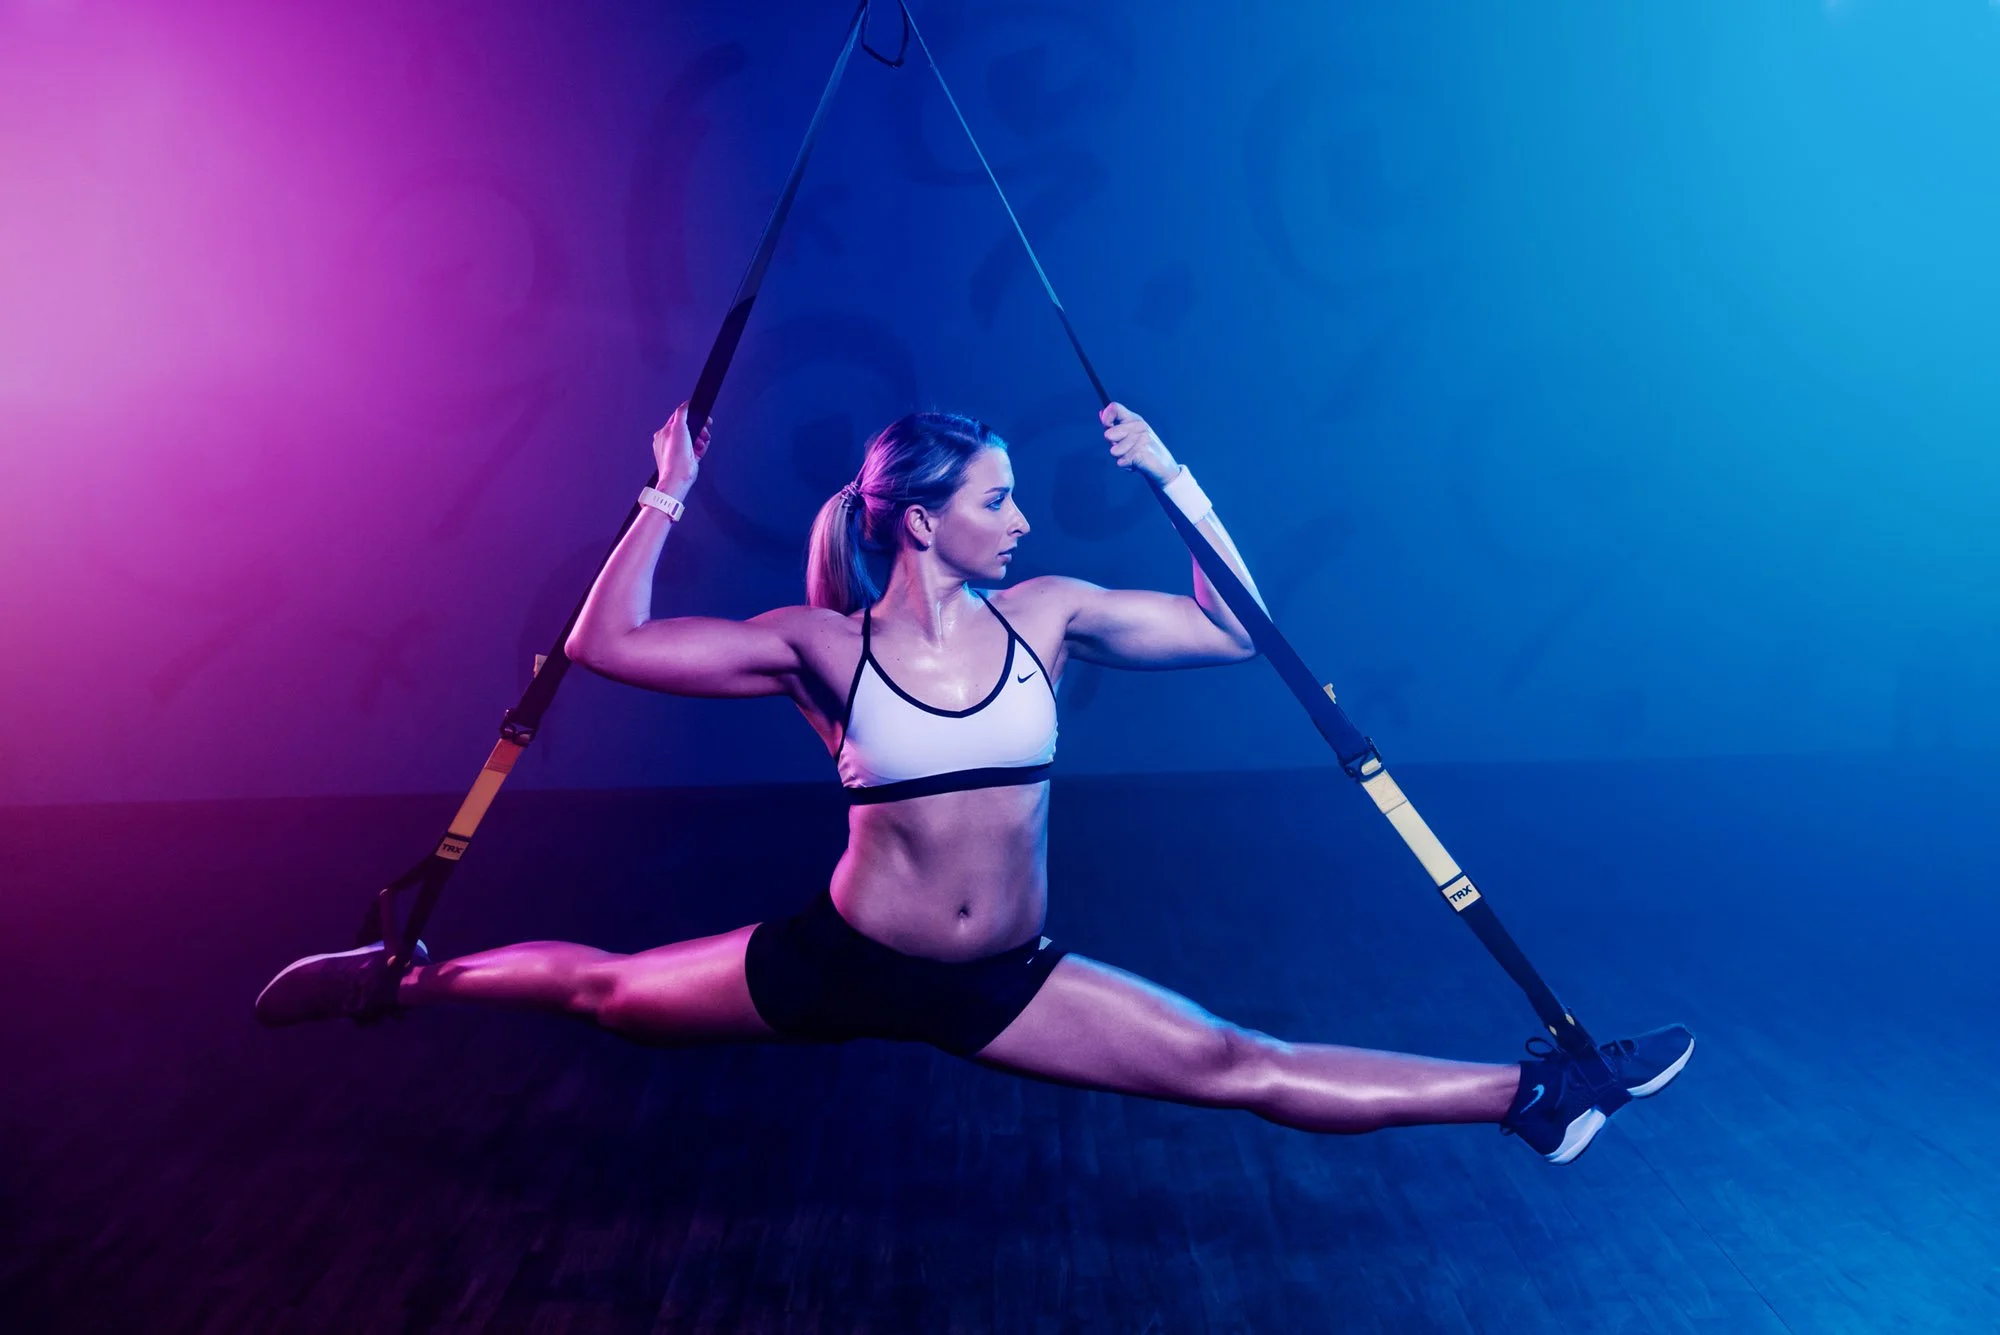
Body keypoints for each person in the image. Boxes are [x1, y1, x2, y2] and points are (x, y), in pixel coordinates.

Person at [257, 401, 1691, 1164]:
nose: (1019, 516)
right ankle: (402, 977)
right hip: (838, 958)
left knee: (1240, 1062)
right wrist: (665, 495)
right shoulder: (816, 642)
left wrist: (1178, 482)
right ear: (923, 518)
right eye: (995, 496)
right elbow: (603, 641)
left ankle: (1535, 1093)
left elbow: (1243, 629)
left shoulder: (1051, 616)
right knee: (602, 992)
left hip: (1000, 975)